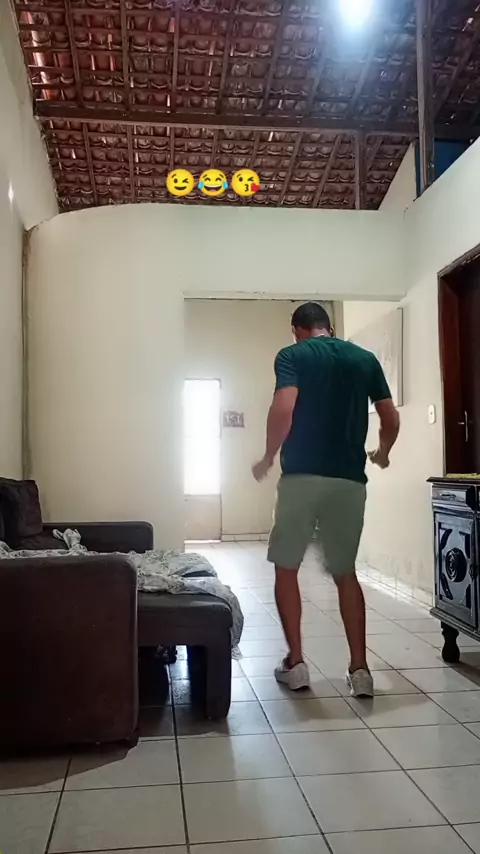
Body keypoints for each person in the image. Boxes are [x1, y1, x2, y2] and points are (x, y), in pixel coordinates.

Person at [252, 303, 400, 697]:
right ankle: (360, 670)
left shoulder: (292, 355)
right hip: (349, 481)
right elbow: (390, 417)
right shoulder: (364, 359)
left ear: (296, 329)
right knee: (345, 573)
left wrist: (268, 456)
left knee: (286, 568)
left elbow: (284, 408)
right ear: (329, 328)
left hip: (301, 477)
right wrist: (383, 453)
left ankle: (297, 663)